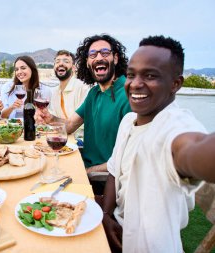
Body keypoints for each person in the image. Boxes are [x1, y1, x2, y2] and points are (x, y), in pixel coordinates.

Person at [101, 35, 215, 252]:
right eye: (131, 75)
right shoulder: (128, 121)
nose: (135, 84)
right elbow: (113, 172)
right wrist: (106, 217)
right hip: (115, 225)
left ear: (176, 84)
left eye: (150, 75)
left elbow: (192, 148)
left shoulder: (173, 126)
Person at [35, 34, 131, 174]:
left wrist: (87, 171)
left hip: (105, 177)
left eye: (105, 53)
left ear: (115, 58)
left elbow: (129, 157)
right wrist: (50, 118)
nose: (98, 58)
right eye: (93, 54)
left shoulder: (129, 95)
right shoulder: (94, 93)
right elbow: (69, 126)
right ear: (87, 62)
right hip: (83, 164)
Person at [48, 50, 89, 119]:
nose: (61, 64)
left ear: (73, 68)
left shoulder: (83, 88)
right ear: (54, 67)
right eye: (57, 62)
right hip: (60, 129)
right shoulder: (55, 92)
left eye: (66, 61)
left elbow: (82, 121)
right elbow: (53, 119)